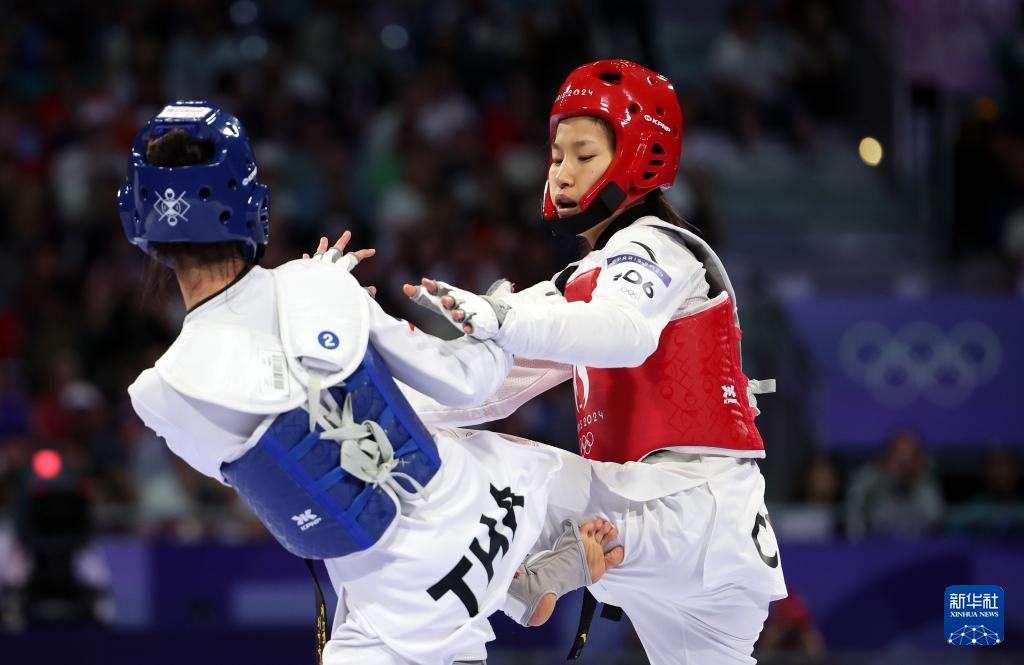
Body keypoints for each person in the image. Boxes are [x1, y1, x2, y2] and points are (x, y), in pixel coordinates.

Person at [119, 101, 620, 665]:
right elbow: (468, 385)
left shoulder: (159, 395)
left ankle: (518, 584)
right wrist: (496, 317)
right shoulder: (319, 282)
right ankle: (518, 579)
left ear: (139, 222)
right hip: (494, 508)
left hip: (404, 602)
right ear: (253, 204)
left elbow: (286, 477)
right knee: (446, 402)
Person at [405, 60, 788, 664]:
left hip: (685, 513)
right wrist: (369, 394)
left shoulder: (655, 245)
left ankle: (535, 568)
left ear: (638, 158)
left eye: (583, 155)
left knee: (479, 464)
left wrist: (504, 317)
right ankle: (550, 561)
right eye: (557, 155)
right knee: (438, 444)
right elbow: (485, 385)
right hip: (709, 553)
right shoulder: (579, 284)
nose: (561, 172)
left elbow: (623, 331)